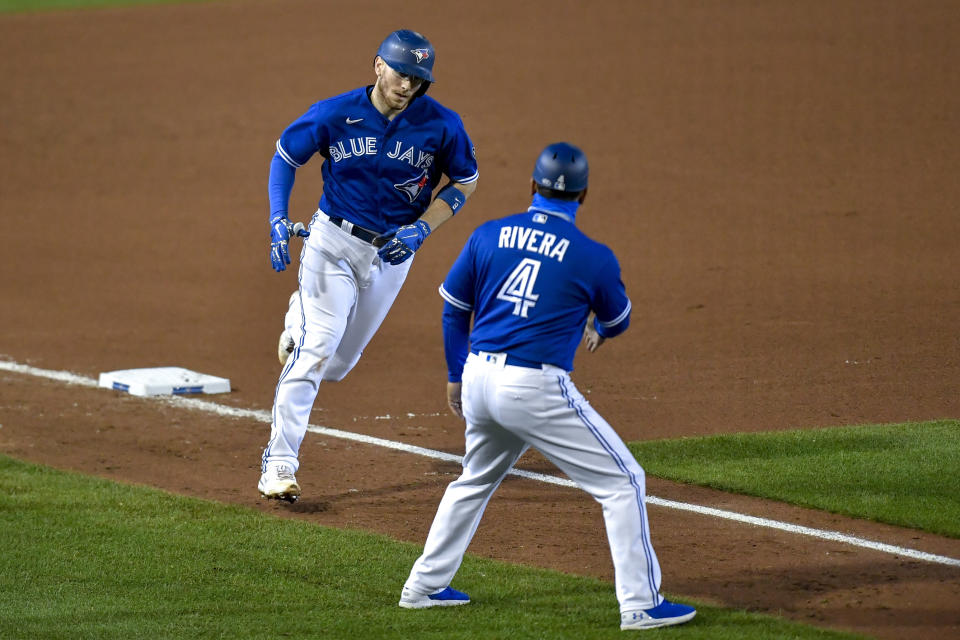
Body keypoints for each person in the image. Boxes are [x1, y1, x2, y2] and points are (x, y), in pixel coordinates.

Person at [397, 143, 696, 630]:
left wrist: (456, 375)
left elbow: (455, 308)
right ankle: (641, 604)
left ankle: (423, 586)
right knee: (623, 483)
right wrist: (596, 327)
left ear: (532, 186)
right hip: (532, 387)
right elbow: (618, 319)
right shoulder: (592, 256)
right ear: (583, 196)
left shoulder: (488, 234)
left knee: (474, 479)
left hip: (478, 375)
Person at [258, 29, 479, 502]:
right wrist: (279, 218)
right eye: (403, 74)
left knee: (338, 365)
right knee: (316, 352)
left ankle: (298, 315)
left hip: (392, 255)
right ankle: (279, 463)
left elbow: (464, 181)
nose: (409, 87)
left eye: (419, 80)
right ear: (378, 65)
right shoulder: (335, 113)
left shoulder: (442, 125)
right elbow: (285, 158)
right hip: (331, 243)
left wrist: (422, 228)